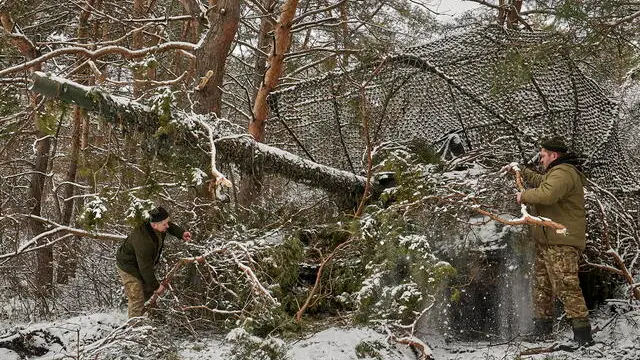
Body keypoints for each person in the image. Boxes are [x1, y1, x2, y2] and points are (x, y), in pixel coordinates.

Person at [502, 137, 593, 346]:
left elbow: (547, 194)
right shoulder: (555, 173)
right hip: (548, 241)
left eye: (543, 156)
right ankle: (542, 331)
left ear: (554, 155)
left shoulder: (564, 172)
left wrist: (523, 196)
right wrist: (521, 171)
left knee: (566, 285)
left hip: (562, 240)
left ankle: (583, 336)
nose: (540, 160)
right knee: (542, 286)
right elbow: (542, 183)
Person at [116, 206, 192, 318]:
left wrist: (181, 233)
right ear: (154, 224)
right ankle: (133, 329)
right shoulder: (144, 240)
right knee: (137, 297)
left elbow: (169, 226)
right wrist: (156, 286)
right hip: (128, 266)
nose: (167, 226)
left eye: (167, 222)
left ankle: (147, 319)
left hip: (141, 264)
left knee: (148, 292)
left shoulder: (157, 224)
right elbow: (145, 268)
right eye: (164, 224)